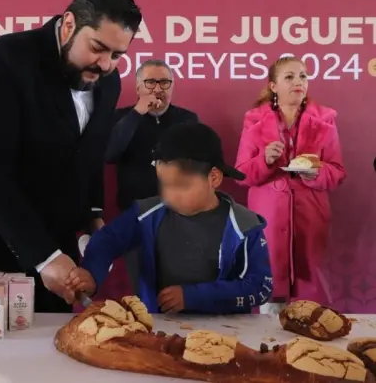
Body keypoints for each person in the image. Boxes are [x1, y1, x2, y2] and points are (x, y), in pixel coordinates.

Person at [0, 0, 142, 319]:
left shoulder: (107, 81)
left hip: (51, 236)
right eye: (98, 48)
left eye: (117, 55)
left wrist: (93, 218)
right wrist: (45, 257)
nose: (107, 64)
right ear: (69, 25)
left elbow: (89, 155)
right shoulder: (4, 62)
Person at [66, 122, 273, 314]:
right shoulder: (147, 213)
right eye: (164, 184)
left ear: (214, 178)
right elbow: (108, 240)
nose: (169, 195)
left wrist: (194, 296)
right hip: (159, 332)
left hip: (227, 336)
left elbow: (260, 287)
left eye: (181, 185)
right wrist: (91, 273)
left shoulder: (245, 226)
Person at [234, 56, 345, 313]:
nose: (299, 82)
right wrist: (265, 159)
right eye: (290, 77)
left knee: (311, 301)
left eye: (303, 76)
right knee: (269, 303)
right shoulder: (254, 120)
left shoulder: (325, 121)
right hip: (267, 221)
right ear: (273, 86)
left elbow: (337, 172)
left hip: (311, 219)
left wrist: (313, 172)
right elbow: (242, 174)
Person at [105, 59, 198, 212]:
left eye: (164, 82)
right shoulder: (121, 117)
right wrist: (137, 113)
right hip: (133, 207)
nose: (157, 89)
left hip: (177, 208)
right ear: (138, 88)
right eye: (150, 82)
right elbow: (110, 155)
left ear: (172, 87)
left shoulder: (187, 119)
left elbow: (195, 164)